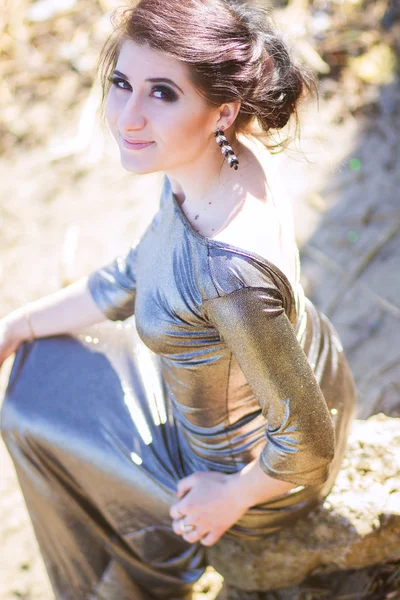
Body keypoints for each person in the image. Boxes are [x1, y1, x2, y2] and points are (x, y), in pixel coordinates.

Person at [0, 0, 357, 598]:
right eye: (122, 83)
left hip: (254, 472)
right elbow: (130, 274)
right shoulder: (218, 161)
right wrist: (16, 325)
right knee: (38, 352)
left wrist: (232, 494)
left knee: (28, 410)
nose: (127, 116)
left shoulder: (228, 271)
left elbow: (308, 442)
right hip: (295, 374)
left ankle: (136, 578)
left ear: (224, 111)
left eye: (162, 94)